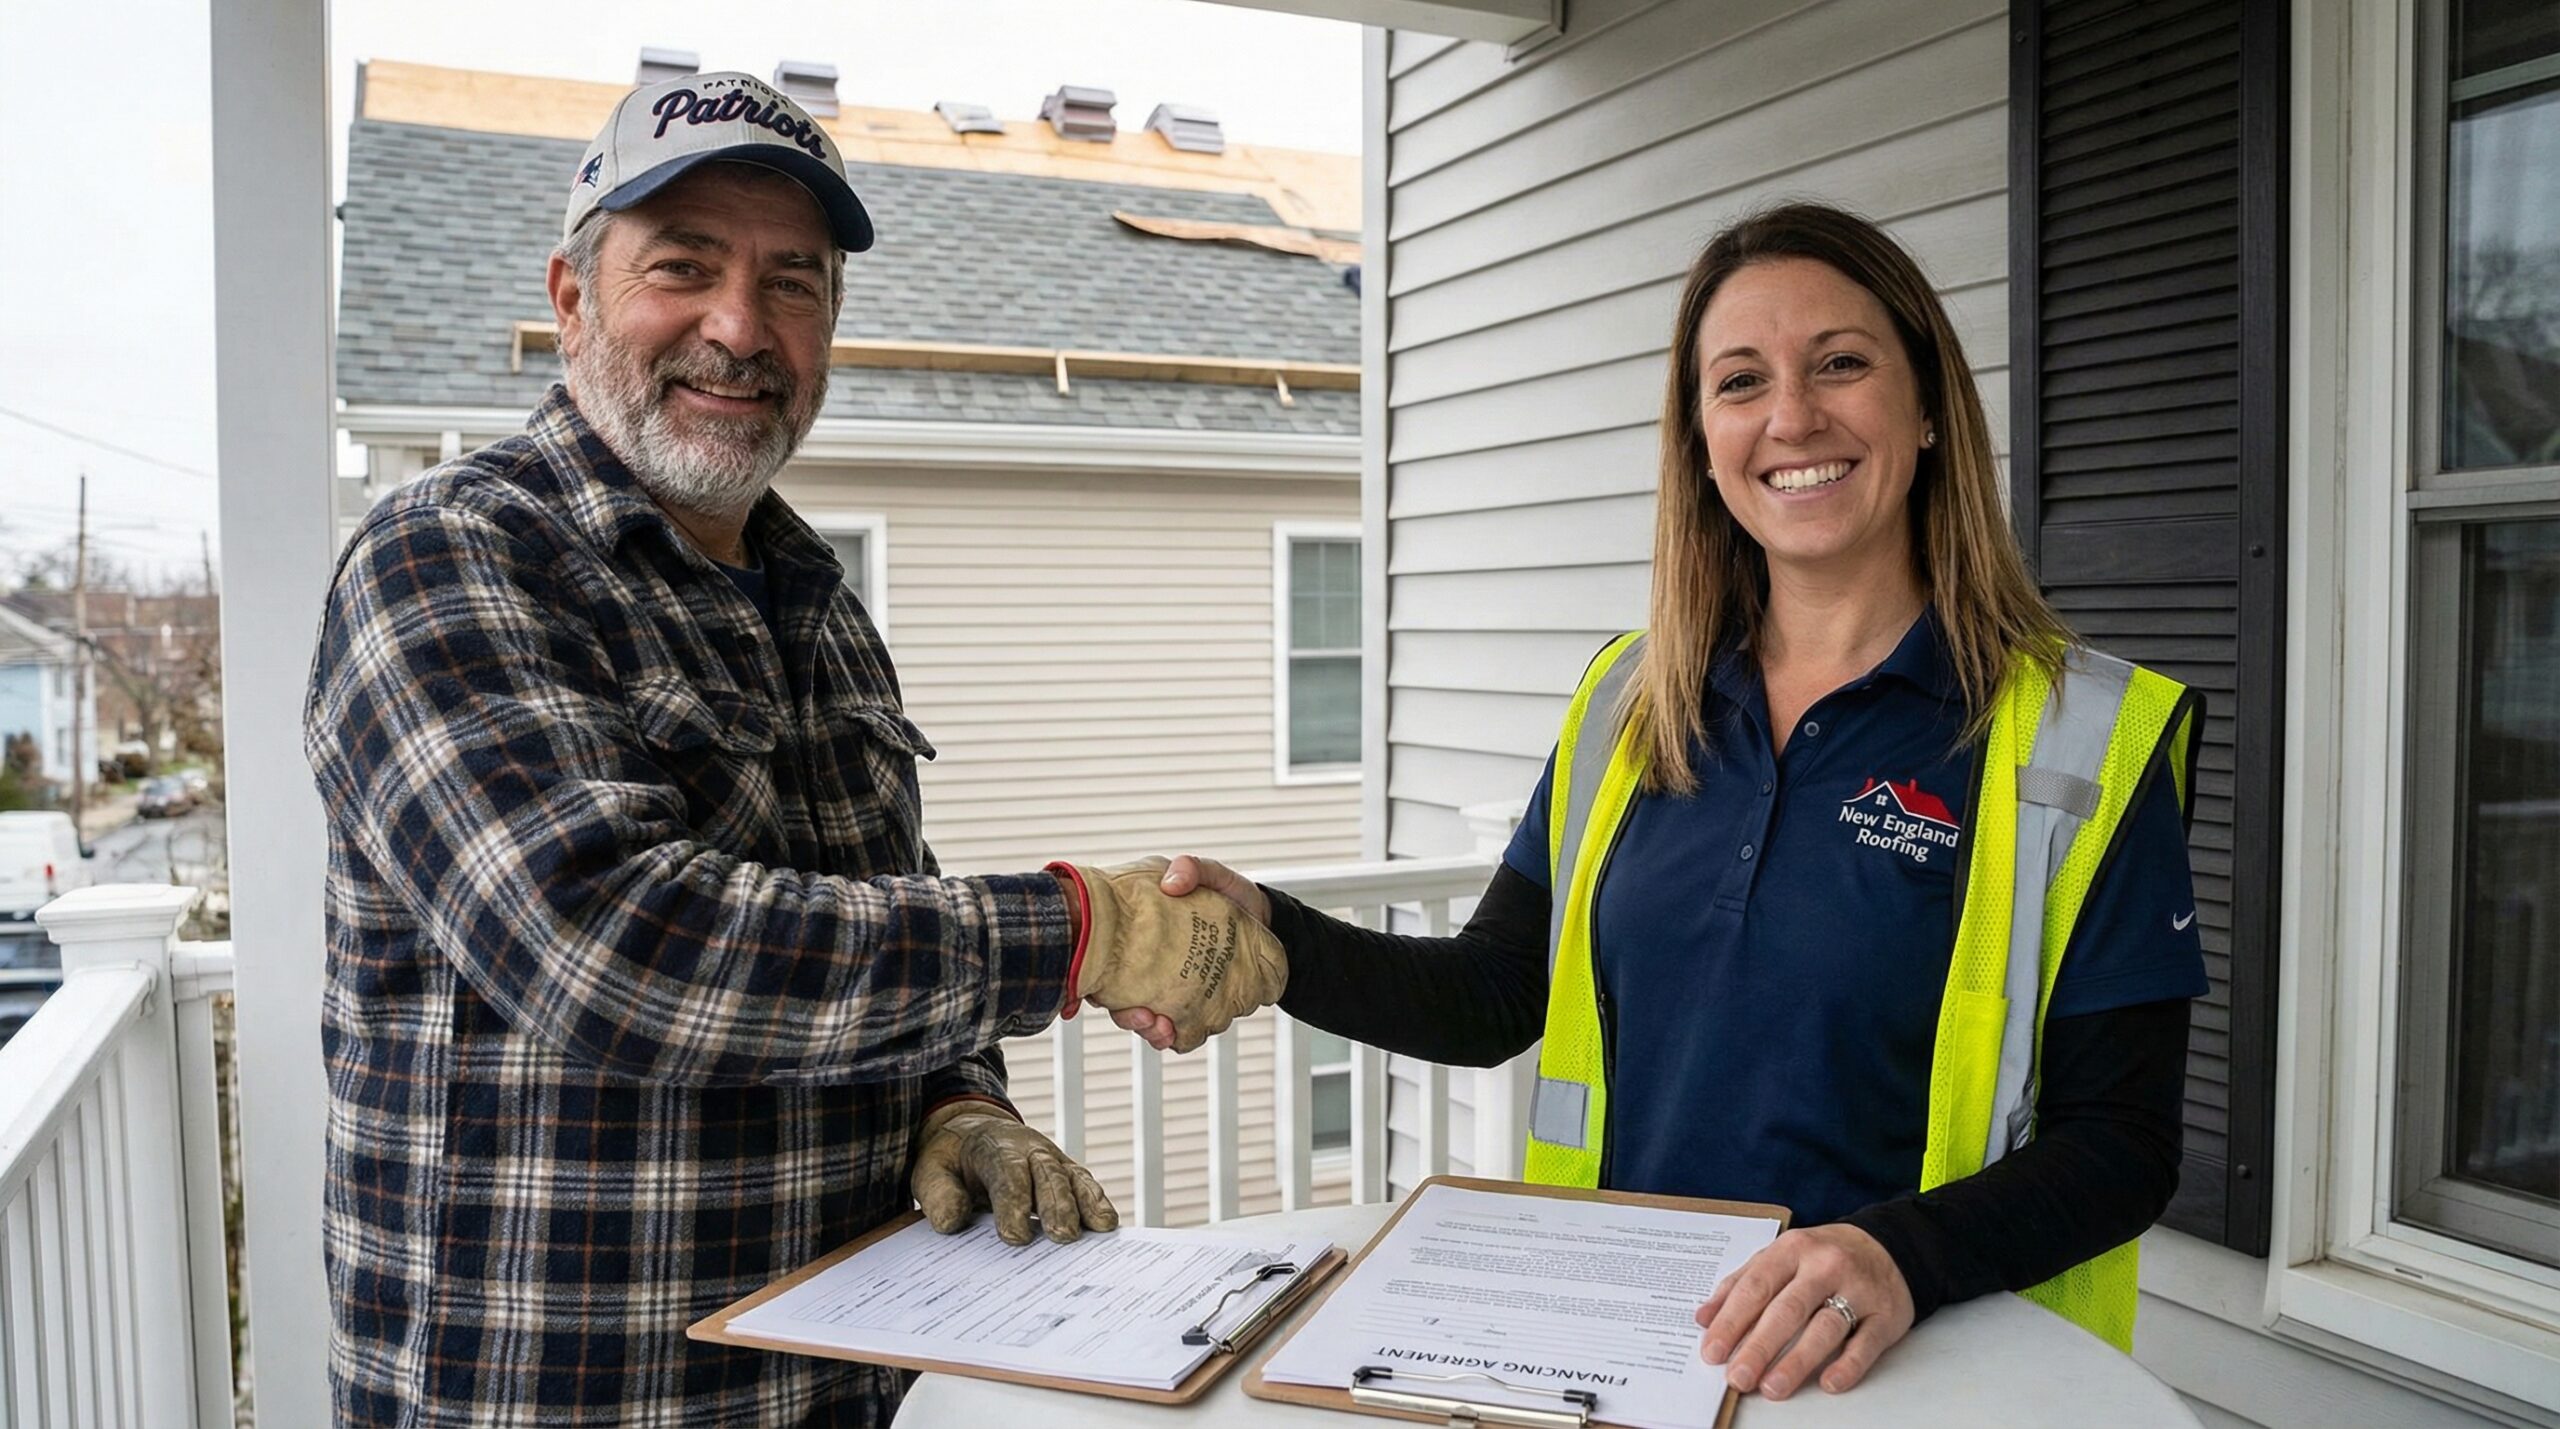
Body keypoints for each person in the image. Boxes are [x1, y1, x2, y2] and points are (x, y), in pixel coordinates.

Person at [303, 72, 1281, 1427]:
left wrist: (958, 1103)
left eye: (795, 284)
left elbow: (869, 921)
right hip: (560, 1397)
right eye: (684, 269)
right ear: (571, 297)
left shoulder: (815, 598)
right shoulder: (453, 555)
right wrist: (1078, 929)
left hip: (833, 1393)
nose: (739, 328)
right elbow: (609, 946)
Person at [1123, 201, 2207, 1404]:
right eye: (1740, 381)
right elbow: (1496, 990)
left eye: (1840, 363)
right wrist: (1278, 940)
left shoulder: (2077, 737)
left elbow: (2123, 1143)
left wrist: (1900, 1254)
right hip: (1636, 1357)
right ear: (1698, 438)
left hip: (1917, 1376)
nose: (1791, 417)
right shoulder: (1629, 704)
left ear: (1931, 408)